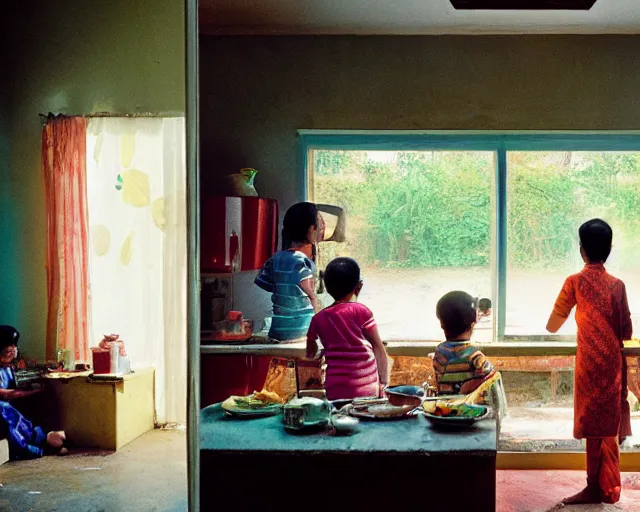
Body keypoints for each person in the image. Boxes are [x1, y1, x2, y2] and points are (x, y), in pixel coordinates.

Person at [546, 219, 632, 505]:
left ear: (581, 250)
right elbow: (627, 330)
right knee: (606, 427)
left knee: (592, 428)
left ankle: (593, 486)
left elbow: (553, 325)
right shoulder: (617, 286)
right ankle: (606, 488)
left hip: (587, 368)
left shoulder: (574, 282)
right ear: (609, 250)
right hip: (611, 367)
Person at [305, 257, 389, 400]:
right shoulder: (362, 312)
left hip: (335, 391)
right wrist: (383, 383)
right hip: (367, 390)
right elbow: (378, 347)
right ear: (359, 286)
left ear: (326, 288)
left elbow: (310, 353)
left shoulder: (318, 319)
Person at [255, 202, 323, 342]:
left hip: (277, 333)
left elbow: (266, 284)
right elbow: (311, 297)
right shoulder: (303, 262)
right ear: (311, 230)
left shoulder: (274, 259)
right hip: (302, 333)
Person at [0, 326, 68, 460]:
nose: (12, 352)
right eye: (8, 350)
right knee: (5, 410)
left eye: (14, 348)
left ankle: (44, 437)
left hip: (10, 403)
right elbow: (5, 394)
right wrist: (31, 391)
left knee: (37, 401)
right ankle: (35, 447)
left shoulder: (8, 368)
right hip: (3, 405)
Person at [433, 292, 495, 396]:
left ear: (441, 324)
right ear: (473, 322)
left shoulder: (440, 352)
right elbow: (493, 378)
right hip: (470, 409)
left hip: (444, 407)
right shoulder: (475, 356)